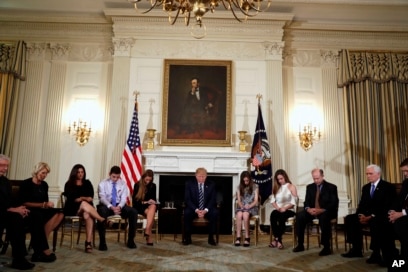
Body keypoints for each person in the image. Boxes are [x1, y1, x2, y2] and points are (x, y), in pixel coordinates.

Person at [341, 164, 397, 268]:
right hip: (367, 215)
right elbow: (362, 204)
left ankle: (376, 253)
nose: (368, 176)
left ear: (378, 174)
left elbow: (387, 206)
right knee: (350, 219)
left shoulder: (388, 187)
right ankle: (356, 249)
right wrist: (361, 215)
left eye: (370, 174)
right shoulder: (366, 187)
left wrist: (371, 216)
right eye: (367, 174)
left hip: (381, 216)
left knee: (376, 223)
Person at [19, 162, 64, 263]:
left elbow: (45, 201)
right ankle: (41, 250)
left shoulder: (44, 185)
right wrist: (43, 205)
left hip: (41, 210)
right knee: (38, 216)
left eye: (46, 173)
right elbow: (24, 202)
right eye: (43, 173)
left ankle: (41, 245)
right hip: (29, 211)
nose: (45, 175)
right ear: (36, 171)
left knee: (60, 213)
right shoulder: (26, 183)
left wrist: (47, 205)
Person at [0, 154, 35, 270]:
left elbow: (10, 200)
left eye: (7, 166)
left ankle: (22, 256)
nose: (5, 168)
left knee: (28, 216)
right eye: (2, 165)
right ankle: (19, 258)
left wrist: (20, 208)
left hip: (5, 212)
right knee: (16, 219)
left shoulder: (5, 181)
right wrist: (11, 209)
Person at [293, 168, 338, 256]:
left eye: (317, 178)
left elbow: (333, 204)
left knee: (324, 217)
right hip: (312, 211)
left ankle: (326, 247)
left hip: (325, 211)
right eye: (314, 178)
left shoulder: (331, 187)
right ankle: (300, 244)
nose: (316, 180)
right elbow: (306, 202)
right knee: (299, 216)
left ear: (322, 176)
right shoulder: (310, 187)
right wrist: (308, 209)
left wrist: (321, 210)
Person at [63, 164, 105, 253]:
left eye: (82, 172)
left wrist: (81, 198)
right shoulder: (69, 184)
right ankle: (100, 218)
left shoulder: (87, 183)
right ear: (74, 173)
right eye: (78, 172)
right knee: (84, 203)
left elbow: (91, 197)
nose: (80, 174)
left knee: (87, 214)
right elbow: (71, 198)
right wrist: (83, 198)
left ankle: (88, 243)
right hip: (72, 208)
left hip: (86, 208)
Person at [96, 165, 138, 250]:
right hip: (107, 205)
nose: (115, 179)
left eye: (117, 177)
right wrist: (111, 206)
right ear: (109, 174)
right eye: (113, 177)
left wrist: (119, 207)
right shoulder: (102, 183)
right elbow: (102, 198)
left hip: (119, 205)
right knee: (101, 212)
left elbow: (123, 198)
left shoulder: (122, 184)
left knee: (133, 212)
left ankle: (130, 240)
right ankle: (102, 242)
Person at [183, 167, 218, 246]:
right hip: (194, 208)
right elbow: (187, 199)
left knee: (214, 213)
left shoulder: (211, 184)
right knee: (187, 213)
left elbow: (213, 199)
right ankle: (188, 237)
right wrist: (196, 210)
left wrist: (205, 210)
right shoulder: (189, 184)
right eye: (200, 176)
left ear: (206, 176)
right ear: (196, 176)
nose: (202, 178)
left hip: (206, 208)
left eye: (203, 176)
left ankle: (211, 237)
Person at [269, 169, 298, 249]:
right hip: (279, 209)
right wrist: (278, 208)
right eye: (278, 179)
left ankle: (276, 240)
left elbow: (294, 202)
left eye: (281, 178)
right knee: (273, 215)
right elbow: (273, 201)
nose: (280, 181)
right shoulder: (276, 187)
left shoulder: (291, 186)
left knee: (282, 217)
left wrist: (285, 208)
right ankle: (278, 239)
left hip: (289, 209)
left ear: (285, 177)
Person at [389, 158, 408, 267]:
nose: (405, 174)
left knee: (403, 225)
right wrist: (392, 212)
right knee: (384, 223)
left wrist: (401, 214)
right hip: (403, 215)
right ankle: (393, 257)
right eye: (404, 172)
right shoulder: (406, 183)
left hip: (405, 216)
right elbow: (399, 200)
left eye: (407, 171)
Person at [132, 169, 157, 246]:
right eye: (146, 179)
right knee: (151, 213)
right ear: (143, 178)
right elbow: (135, 202)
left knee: (153, 206)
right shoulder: (137, 185)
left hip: (148, 207)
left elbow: (153, 199)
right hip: (139, 206)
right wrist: (146, 202)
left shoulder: (153, 186)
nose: (148, 181)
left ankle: (147, 229)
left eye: (150, 180)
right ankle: (149, 235)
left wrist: (152, 201)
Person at [234, 171, 258, 247]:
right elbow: (238, 200)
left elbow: (256, 200)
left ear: (250, 180)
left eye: (247, 180)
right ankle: (238, 237)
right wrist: (241, 206)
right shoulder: (239, 187)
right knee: (239, 214)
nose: (246, 182)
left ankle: (247, 237)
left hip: (251, 207)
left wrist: (249, 206)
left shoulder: (255, 186)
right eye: (244, 181)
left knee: (245, 215)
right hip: (242, 206)